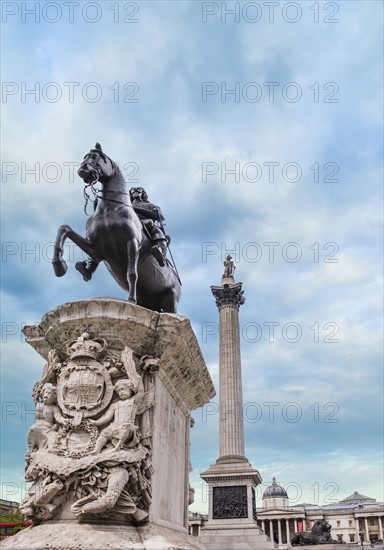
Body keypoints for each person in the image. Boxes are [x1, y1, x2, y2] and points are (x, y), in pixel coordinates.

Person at [90, 379, 140, 454]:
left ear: (130, 389)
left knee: (125, 427)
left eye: (122, 389)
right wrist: (96, 422)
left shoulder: (133, 401)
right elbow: (107, 417)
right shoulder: (115, 405)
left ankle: (118, 447)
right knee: (104, 432)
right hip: (115, 426)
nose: (121, 392)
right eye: (118, 391)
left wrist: (133, 372)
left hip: (129, 427)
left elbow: (141, 390)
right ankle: (97, 450)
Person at [129, 187, 169, 267]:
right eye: (133, 190)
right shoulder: (126, 205)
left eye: (139, 190)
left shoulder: (151, 205)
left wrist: (137, 209)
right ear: (130, 194)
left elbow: (159, 216)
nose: (136, 191)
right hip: (129, 223)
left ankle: (161, 253)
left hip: (147, 224)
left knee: (157, 231)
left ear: (142, 193)